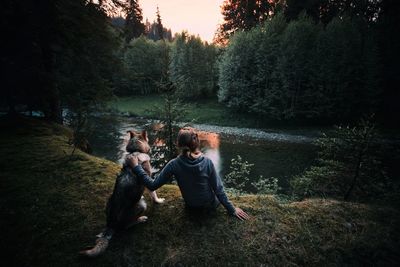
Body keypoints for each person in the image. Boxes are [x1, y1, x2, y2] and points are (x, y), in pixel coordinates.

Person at [127, 127, 250, 221]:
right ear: (196, 140)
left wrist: (136, 167)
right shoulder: (207, 162)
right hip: (209, 206)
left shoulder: (174, 164)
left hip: (191, 206)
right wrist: (232, 209)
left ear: (179, 144)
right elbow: (219, 190)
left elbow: (152, 185)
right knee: (216, 190)